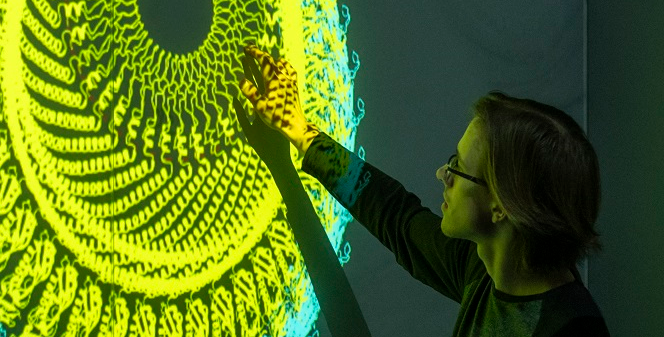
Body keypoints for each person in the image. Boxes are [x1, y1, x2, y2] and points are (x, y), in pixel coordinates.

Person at [238, 44, 610, 336]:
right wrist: (300, 132)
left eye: (459, 169)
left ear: (502, 207)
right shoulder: (486, 268)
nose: (442, 174)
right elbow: (394, 215)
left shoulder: (569, 328)